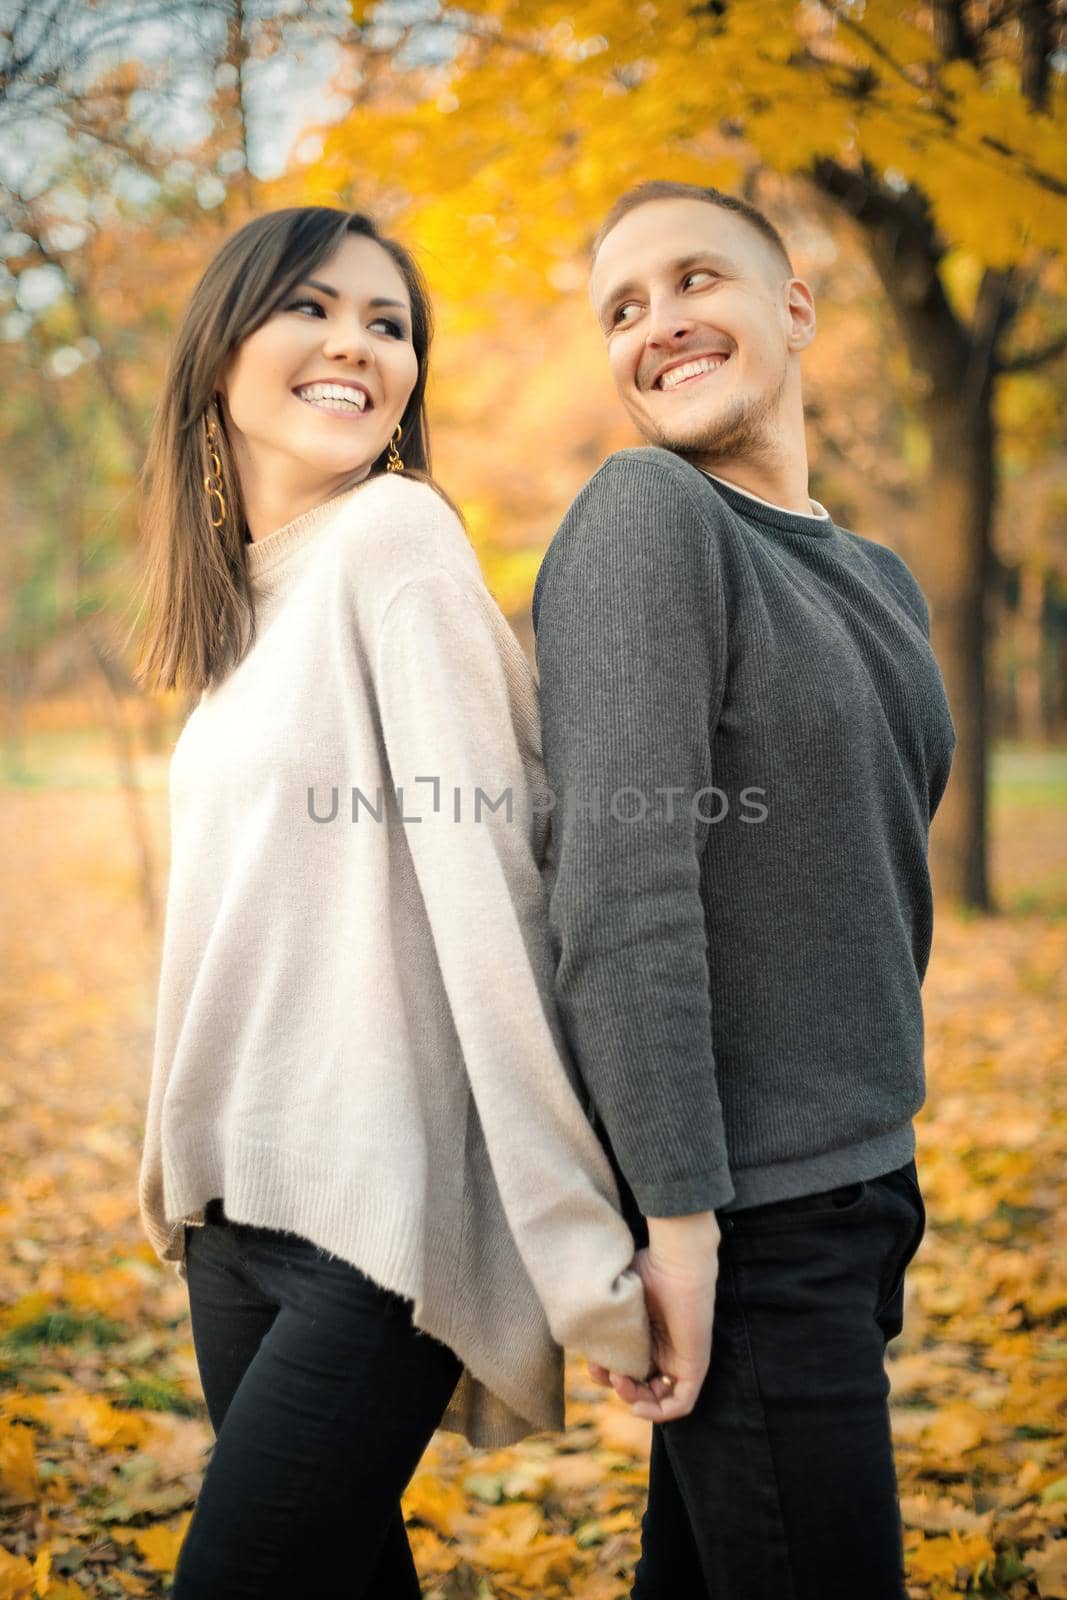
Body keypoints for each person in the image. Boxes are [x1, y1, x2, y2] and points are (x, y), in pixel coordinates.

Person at [129, 204, 652, 1600]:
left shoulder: (397, 542)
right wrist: (173, 1162)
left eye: (391, 322)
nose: (359, 343)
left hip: (374, 1226)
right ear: (220, 348)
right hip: (235, 1219)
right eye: (313, 306)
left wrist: (575, 1237)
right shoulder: (248, 606)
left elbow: (494, 893)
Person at [531, 180, 957, 1600]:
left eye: (695, 279)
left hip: (863, 1185)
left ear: (794, 306)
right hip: (753, 1216)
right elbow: (621, 888)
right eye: (623, 310)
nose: (658, 326)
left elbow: (861, 864)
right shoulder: (650, 517)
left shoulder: (878, 577)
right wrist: (682, 1224)